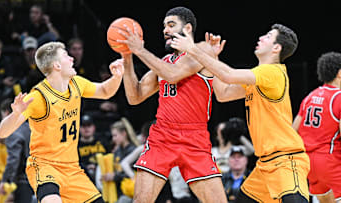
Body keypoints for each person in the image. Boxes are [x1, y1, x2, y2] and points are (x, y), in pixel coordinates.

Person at [171, 23, 310, 202]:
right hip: (265, 166)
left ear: (276, 48)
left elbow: (229, 75)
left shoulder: (272, 72)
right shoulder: (257, 79)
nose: (261, 38)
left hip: (285, 161)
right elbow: (223, 93)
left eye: (267, 36)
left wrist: (193, 49)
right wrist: (213, 57)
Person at [119, 6, 227, 203]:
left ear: (186, 29)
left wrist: (140, 50)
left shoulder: (203, 50)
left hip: (195, 138)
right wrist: (127, 58)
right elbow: (135, 97)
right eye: (164, 26)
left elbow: (173, 74)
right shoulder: (165, 61)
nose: (165, 30)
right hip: (163, 136)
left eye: (171, 25)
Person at [0, 41, 124, 203]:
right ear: (56, 65)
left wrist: (117, 77)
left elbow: (105, 91)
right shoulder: (38, 97)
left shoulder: (76, 83)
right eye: (66, 55)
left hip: (72, 169)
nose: (72, 58)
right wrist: (15, 114)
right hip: (44, 166)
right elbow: (3, 132)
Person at [292, 52, 341, 203]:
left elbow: (293, 130)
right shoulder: (338, 97)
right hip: (330, 160)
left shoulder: (310, 96)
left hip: (309, 163)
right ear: (339, 73)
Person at [0, 98, 35, 203]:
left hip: (22, 180)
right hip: (36, 177)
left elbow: (14, 159)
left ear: (6, 113)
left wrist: (6, 181)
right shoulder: (30, 128)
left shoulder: (12, 131)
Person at [78, 113, 111, 183]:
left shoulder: (103, 141)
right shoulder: (76, 145)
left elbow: (110, 155)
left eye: (89, 125)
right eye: (83, 126)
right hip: (83, 176)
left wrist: (97, 166)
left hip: (104, 173)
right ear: (79, 128)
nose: (86, 129)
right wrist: (86, 167)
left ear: (93, 127)